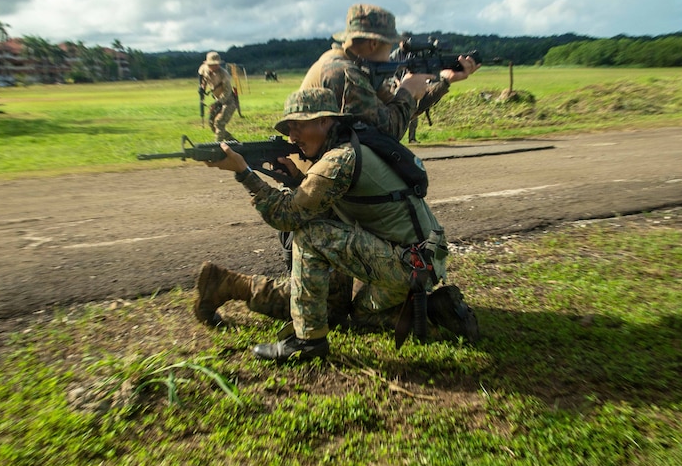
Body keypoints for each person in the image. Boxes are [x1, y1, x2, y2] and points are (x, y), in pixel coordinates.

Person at [193, 88, 479, 362]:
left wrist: (244, 173)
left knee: (312, 236)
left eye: (297, 126)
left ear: (325, 121)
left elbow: (287, 217)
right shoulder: (354, 144)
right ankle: (433, 309)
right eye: (288, 129)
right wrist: (295, 179)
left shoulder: (339, 159)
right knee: (355, 313)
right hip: (423, 260)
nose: (292, 137)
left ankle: (308, 341)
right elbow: (327, 204)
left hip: (405, 264)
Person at [300, 3, 480, 142]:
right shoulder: (347, 75)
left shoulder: (342, 62)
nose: (390, 54)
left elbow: (399, 110)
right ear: (374, 44)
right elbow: (388, 131)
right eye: (390, 45)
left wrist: (444, 81)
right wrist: (407, 90)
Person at [198, 51, 237, 141]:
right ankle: (233, 143)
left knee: (219, 123)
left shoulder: (224, 74)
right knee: (212, 124)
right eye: (212, 64)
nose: (215, 66)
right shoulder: (204, 68)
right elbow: (201, 76)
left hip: (228, 101)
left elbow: (227, 92)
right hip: (217, 100)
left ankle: (218, 146)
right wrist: (201, 88)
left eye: (217, 64)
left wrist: (218, 103)